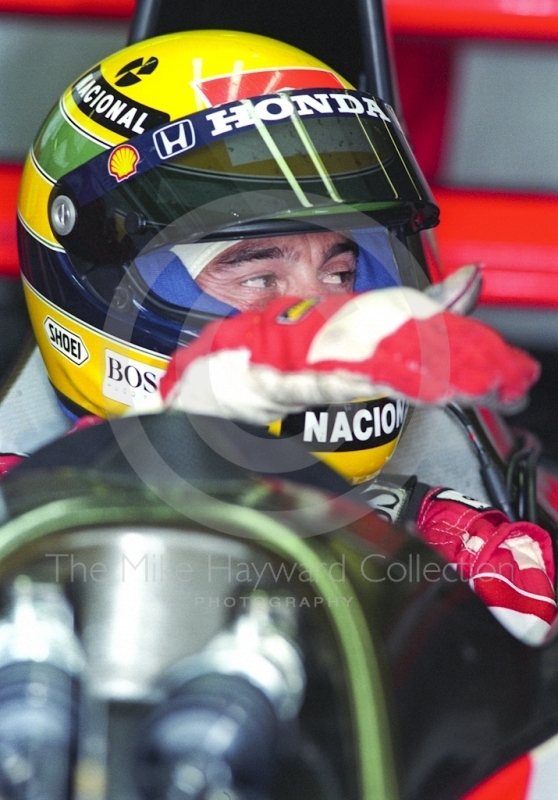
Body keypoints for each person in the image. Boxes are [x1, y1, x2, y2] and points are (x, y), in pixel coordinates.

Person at [9, 29, 555, 643]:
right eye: (260, 275)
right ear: (102, 283)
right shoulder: (17, 498)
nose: (318, 315)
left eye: (341, 272)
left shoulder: (459, 532)